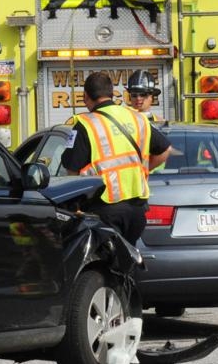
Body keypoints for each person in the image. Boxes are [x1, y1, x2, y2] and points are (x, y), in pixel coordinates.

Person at [61, 71, 172, 246]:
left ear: (86, 97)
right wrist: (143, 169)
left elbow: (71, 170)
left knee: (105, 264)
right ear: (112, 94)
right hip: (137, 210)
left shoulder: (85, 124)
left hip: (104, 210)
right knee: (127, 262)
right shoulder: (137, 118)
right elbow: (165, 150)